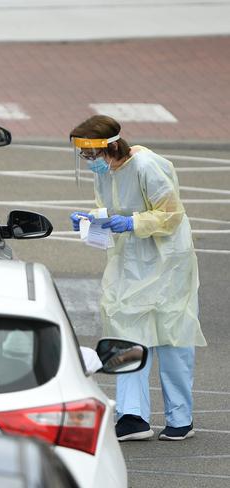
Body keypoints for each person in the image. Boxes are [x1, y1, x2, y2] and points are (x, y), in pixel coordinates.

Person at [68, 115, 206, 442]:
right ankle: (132, 417)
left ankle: (180, 418)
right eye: (84, 156)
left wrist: (132, 224)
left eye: (91, 155)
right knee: (127, 334)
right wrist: (92, 221)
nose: (88, 162)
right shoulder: (107, 172)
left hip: (167, 264)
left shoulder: (146, 166)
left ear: (111, 146)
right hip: (130, 265)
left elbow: (171, 214)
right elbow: (109, 208)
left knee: (171, 338)